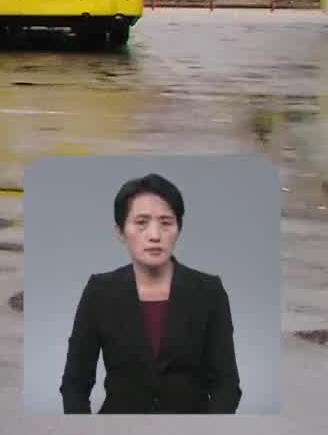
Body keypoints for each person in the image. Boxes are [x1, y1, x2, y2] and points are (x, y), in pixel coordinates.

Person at [60, 173, 241, 413]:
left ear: (179, 228)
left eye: (166, 223)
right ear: (121, 232)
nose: (155, 235)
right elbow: (75, 384)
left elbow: (226, 385)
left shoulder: (209, 292)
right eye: (141, 222)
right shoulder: (99, 292)